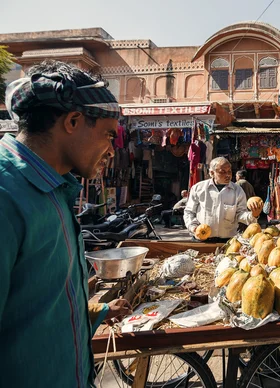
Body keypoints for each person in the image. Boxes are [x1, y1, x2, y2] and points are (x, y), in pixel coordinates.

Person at [0, 60, 132, 387]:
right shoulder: (6, 196)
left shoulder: (55, 189)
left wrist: (96, 311)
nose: (111, 151)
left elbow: (37, 307)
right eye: (107, 136)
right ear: (73, 121)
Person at [184, 157, 262, 241]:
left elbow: (240, 213)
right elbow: (189, 212)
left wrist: (253, 215)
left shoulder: (237, 190)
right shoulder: (198, 188)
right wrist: (194, 228)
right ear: (211, 173)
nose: (228, 175)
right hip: (202, 239)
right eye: (223, 172)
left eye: (229, 171)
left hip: (227, 241)